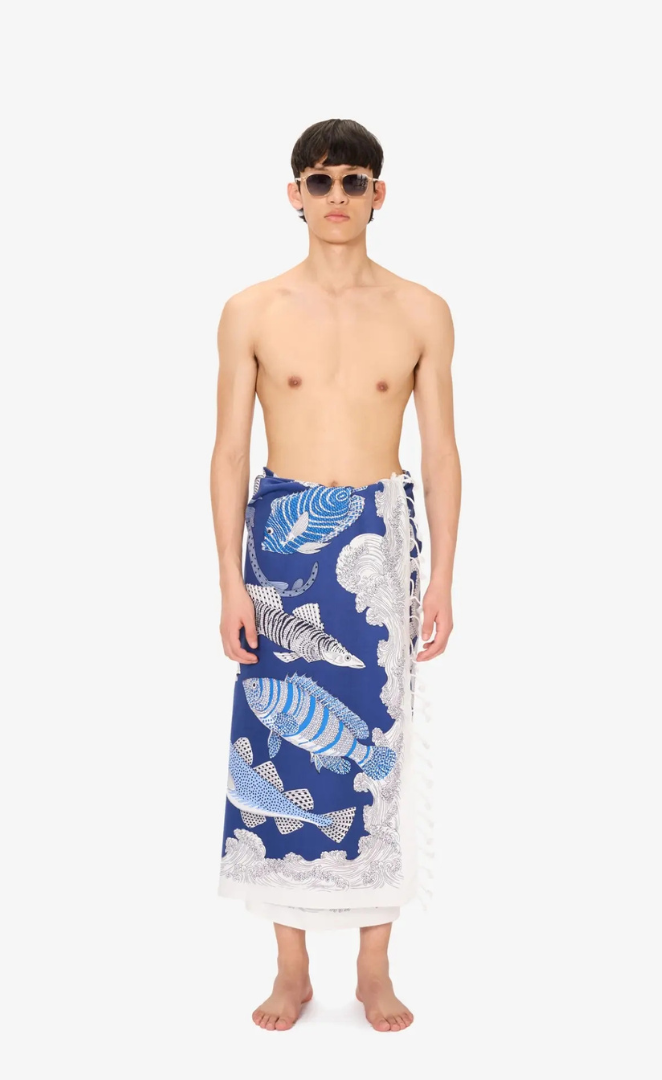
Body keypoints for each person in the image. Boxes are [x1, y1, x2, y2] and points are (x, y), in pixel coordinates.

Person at [209, 118, 460, 1032]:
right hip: (280, 540)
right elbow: (229, 451)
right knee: (278, 745)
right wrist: (230, 581)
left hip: (380, 539)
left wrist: (443, 578)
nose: (338, 196)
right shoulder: (253, 310)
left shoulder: (421, 310)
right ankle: (291, 969)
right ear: (296, 195)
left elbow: (441, 452)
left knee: (377, 745)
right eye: (320, 181)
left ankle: (374, 967)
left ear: (378, 194)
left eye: (354, 180)